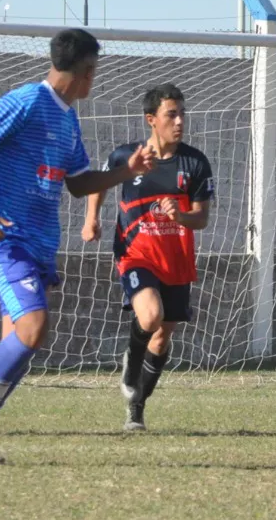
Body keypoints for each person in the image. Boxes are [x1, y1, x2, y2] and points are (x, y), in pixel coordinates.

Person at [0, 28, 155, 465]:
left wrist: (126, 170)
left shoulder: (67, 118)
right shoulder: (27, 101)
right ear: (84, 71)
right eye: (94, 70)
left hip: (39, 245)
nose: (94, 78)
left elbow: (78, 185)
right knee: (33, 326)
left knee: (21, 346)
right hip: (4, 237)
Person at [82, 83, 215, 432]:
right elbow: (100, 183)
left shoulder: (195, 162)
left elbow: (201, 218)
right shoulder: (129, 156)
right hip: (135, 254)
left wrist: (180, 218)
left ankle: (136, 408)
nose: (180, 120)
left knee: (161, 338)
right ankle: (130, 363)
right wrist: (91, 218)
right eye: (172, 114)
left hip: (177, 262)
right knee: (150, 315)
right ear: (151, 119)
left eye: (182, 113)